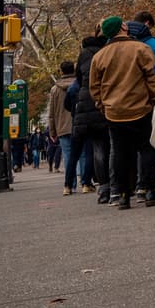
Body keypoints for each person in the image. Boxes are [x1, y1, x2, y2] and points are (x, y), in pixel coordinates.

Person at [89, 15, 155, 210]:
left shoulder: (99, 56)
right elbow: (153, 77)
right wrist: (153, 99)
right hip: (140, 107)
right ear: (123, 27)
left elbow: (94, 87)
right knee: (146, 149)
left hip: (114, 111)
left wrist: (102, 105)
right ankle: (148, 190)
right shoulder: (141, 49)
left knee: (120, 153)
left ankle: (122, 194)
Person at [69, 34, 110, 200]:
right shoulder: (103, 53)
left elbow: (79, 79)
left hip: (86, 107)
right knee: (109, 146)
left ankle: (103, 186)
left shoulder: (83, 56)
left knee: (94, 150)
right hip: (104, 104)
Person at [48, 61, 76, 193]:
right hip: (78, 124)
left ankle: (70, 184)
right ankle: (85, 182)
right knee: (81, 154)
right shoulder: (79, 85)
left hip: (62, 127)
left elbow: (51, 113)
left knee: (67, 155)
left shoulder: (55, 89)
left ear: (61, 71)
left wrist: (52, 131)